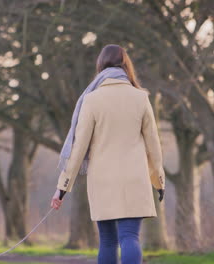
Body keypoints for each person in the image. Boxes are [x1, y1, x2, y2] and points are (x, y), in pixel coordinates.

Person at [50, 44, 166, 264]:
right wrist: (158, 181)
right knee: (130, 237)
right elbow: (154, 146)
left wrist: (62, 188)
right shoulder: (140, 98)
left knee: (107, 241)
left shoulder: (92, 100)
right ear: (125, 66)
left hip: (103, 180)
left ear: (100, 66)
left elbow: (78, 148)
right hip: (134, 178)